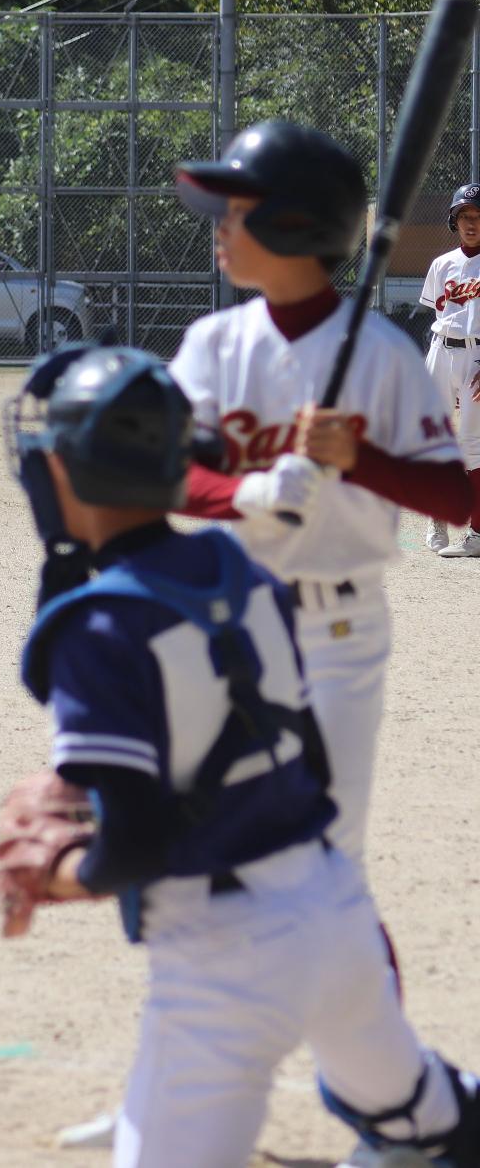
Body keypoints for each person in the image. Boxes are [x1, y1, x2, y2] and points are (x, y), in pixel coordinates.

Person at [0, 343, 480, 1168]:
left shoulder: (94, 629)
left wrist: (54, 870)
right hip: (335, 915)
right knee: (434, 1116)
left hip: (225, 955)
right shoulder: (232, 563)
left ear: (70, 475)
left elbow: (138, 845)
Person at [166, 120, 471, 866]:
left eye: (238, 212)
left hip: (338, 634)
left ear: (292, 223)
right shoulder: (215, 343)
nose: (220, 229)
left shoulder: (383, 356)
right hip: (228, 619)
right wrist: (248, 493)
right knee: (217, 848)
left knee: (320, 853)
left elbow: (461, 501)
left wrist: (359, 457)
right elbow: (162, 471)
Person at [420, 183, 480, 554]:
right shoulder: (441, 264)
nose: (472, 223)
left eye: (478, 217)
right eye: (465, 217)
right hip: (441, 352)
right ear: (454, 222)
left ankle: (476, 535)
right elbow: (438, 314)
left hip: (477, 358)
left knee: (473, 445)